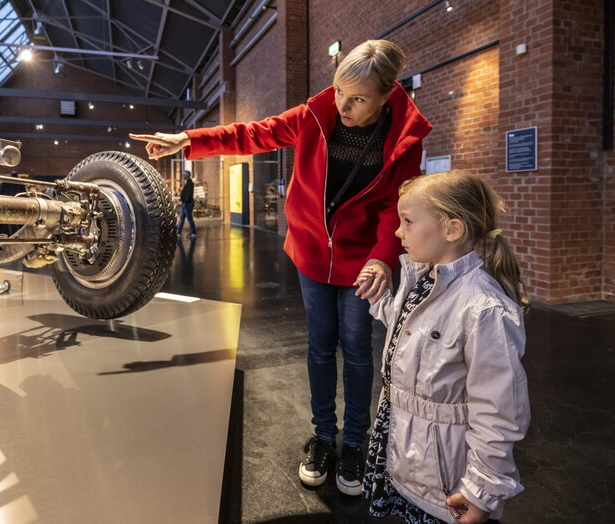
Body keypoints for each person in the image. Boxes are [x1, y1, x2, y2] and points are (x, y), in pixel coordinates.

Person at [130, 39, 432, 496]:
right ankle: (323, 437)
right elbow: (253, 133)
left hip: (362, 261)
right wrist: (188, 139)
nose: (343, 106)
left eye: (358, 99)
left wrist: (382, 258)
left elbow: (396, 203)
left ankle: (355, 442)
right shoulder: (316, 114)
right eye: (338, 92)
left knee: (355, 346)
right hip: (312, 252)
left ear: (386, 95)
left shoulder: (405, 135)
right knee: (319, 343)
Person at [360, 170, 530, 523]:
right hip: (407, 451)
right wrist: (381, 299)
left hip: (444, 474)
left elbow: (499, 411)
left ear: (452, 230)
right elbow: (409, 330)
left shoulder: (483, 309)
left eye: (407, 221)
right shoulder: (424, 278)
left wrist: (481, 489)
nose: (396, 231)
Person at [178, 170, 197, 238]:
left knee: (189, 218)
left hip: (187, 204)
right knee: (182, 218)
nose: (182, 176)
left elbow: (189, 194)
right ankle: (178, 232)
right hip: (185, 204)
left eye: (183, 175)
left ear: (186, 175)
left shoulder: (189, 183)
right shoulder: (187, 183)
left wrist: (185, 201)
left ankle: (193, 233)